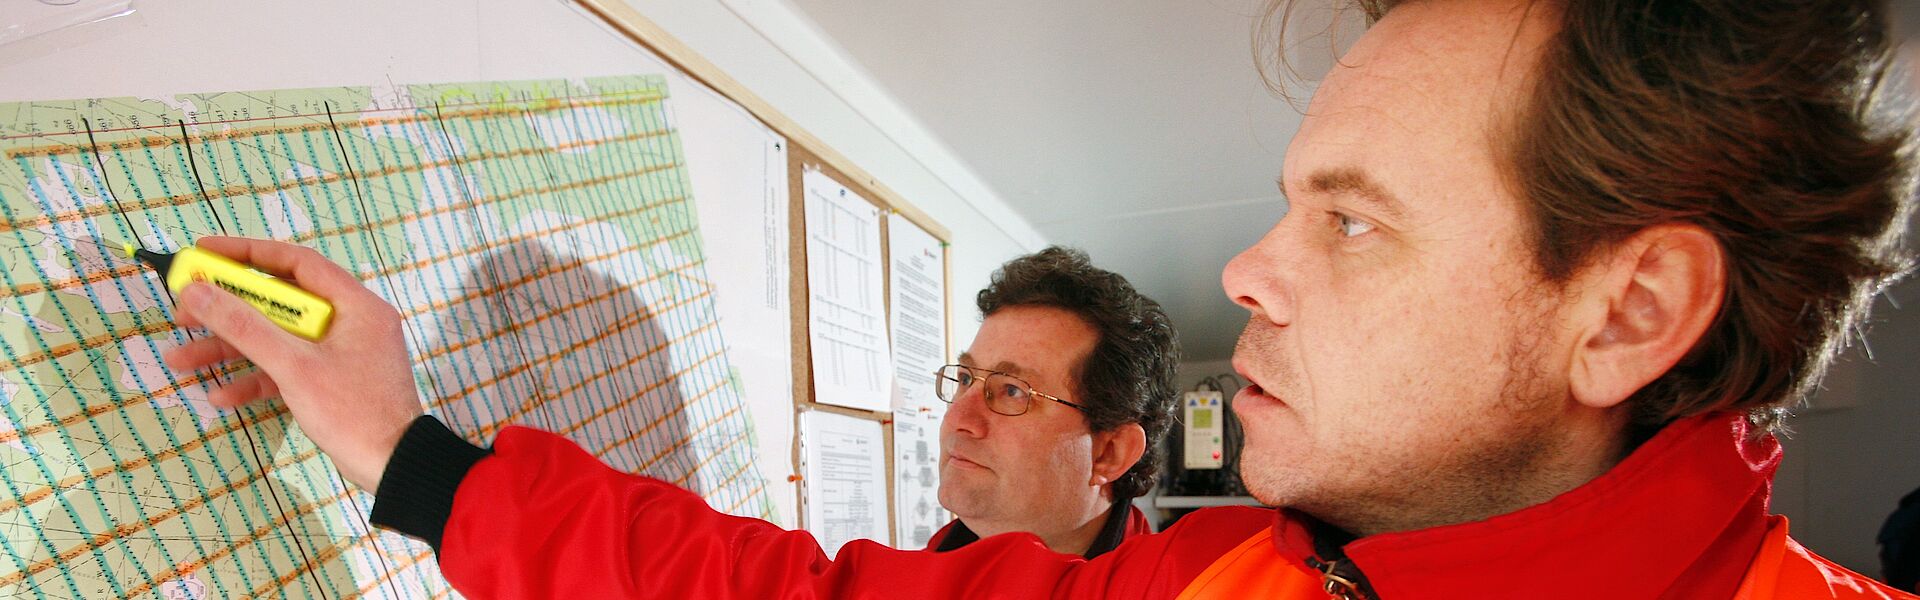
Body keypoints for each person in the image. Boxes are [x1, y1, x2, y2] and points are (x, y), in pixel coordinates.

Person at [163, 0, 1917, 597]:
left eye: (1353, 224)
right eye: (1286, 205)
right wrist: (411, 456)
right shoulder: (1235, 576)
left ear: (1628, 313)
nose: (1250, 272)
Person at [923, 246, 1175, 558]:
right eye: (964, 379)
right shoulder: (911, 574)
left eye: (1012, 391)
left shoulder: (1172, 583)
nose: (957, 419)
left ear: (1109, 453)